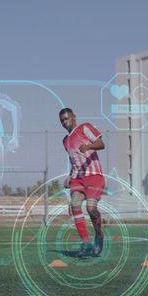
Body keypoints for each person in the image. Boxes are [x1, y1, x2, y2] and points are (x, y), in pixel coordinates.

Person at [59, 108, 105, 257]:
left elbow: (101, 144)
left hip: (94, 175)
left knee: (91, 208)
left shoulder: (84, 127)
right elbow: (74, 161)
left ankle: (99, 236)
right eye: (62, 120)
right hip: (78, 178)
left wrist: (89, 146)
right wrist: (70, 176)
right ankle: (85, 243)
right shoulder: (65, 141)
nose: (65, 122)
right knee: (75, 205)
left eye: (67, 118)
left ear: (74, 117)